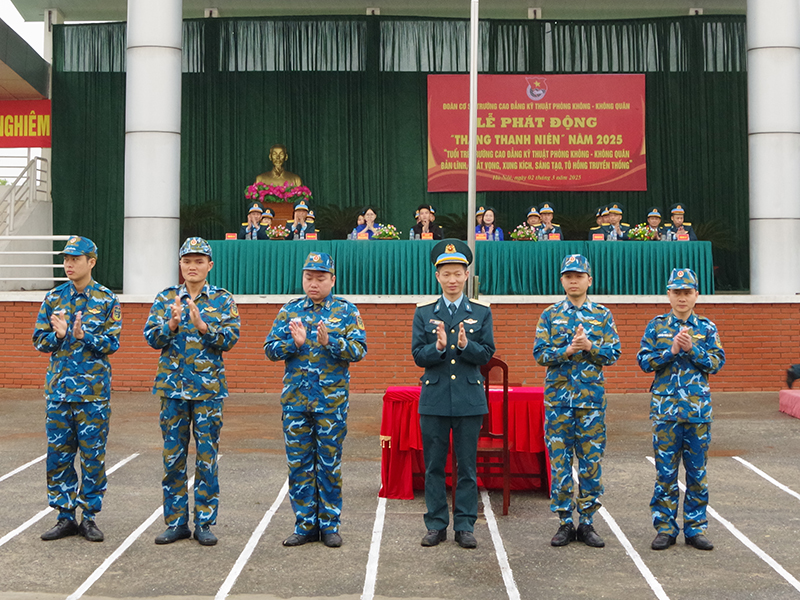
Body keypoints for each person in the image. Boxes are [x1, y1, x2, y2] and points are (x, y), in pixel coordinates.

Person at [265, 252, 367, 548]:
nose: (313, 283)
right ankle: (305, 524)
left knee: (328, 465)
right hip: (296, 402)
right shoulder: (290, 311)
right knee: (299, 465)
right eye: (309, 277)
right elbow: (270, 350)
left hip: (330, 404)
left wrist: (329, 342)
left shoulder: (346, 311)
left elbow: (359, 350)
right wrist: (292, 343)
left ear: (332, 280)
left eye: (320, 278)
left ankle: (330, 525)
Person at [144, 237, 241, 546]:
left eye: (199, 261)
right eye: (187, 261)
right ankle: (175, 523)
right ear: (180, 265)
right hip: (172, 391)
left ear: (209, 265)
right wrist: (170, 325)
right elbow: (151, 338)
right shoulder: (165, 298)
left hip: (208, 391)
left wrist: (203, 326)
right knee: (173, 458)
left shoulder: (222, 300)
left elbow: (230, 339)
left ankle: (204, 522)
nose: (192, 266)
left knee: (207, 458)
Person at [33, 236, 121, 543]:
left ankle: (89, 517)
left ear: (91, 262)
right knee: (58, 456)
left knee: (92, 457)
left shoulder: (107, 299)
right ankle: (64, 517)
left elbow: (113, 343)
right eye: (66, 259)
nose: (69, 264)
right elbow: (39, 341)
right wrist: (58, 337)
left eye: (76, 259)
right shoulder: (54, 298)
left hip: (93, 395)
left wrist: (84, 336)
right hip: (59, 393)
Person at [412, 239, 495, 549]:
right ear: (437, 276)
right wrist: (438, 348)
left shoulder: (480, 312)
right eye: (446, 273)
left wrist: (463, 346)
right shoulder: (424, 312)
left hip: (468, 399)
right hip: (434, 399)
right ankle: (436, 524)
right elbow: (418, 355)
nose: (452, 279)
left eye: (458, 273)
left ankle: (464, 525)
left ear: (466, 275)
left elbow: (486, 353)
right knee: (434, 466)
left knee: (467, 466)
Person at [533, 254, 620, 548]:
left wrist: (590, 347)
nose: (573, 281)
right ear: (562, 280)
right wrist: (567, 351)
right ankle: (564, 522)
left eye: (579, 276)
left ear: (589, 280)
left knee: (590, 463)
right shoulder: (549, 314)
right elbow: (540, 354)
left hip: (590, 403)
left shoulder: (603, 315)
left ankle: (587, 522)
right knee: (559, 463)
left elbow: (613, 354)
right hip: (558, 402)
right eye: (568, 276)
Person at [637, 268, 724, 551]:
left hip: (697, 411)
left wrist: (693, 350)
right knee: (665, 473)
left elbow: (717, 362)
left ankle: (695, 528)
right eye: (677, 292)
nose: (682, 298)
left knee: (697, 473)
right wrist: (671, 351)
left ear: (696, 295)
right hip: (665, 411)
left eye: (687, 292)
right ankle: (665, 528)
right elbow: (644, 361)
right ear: (668, 294)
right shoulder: (657, 326)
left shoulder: (707, 328)